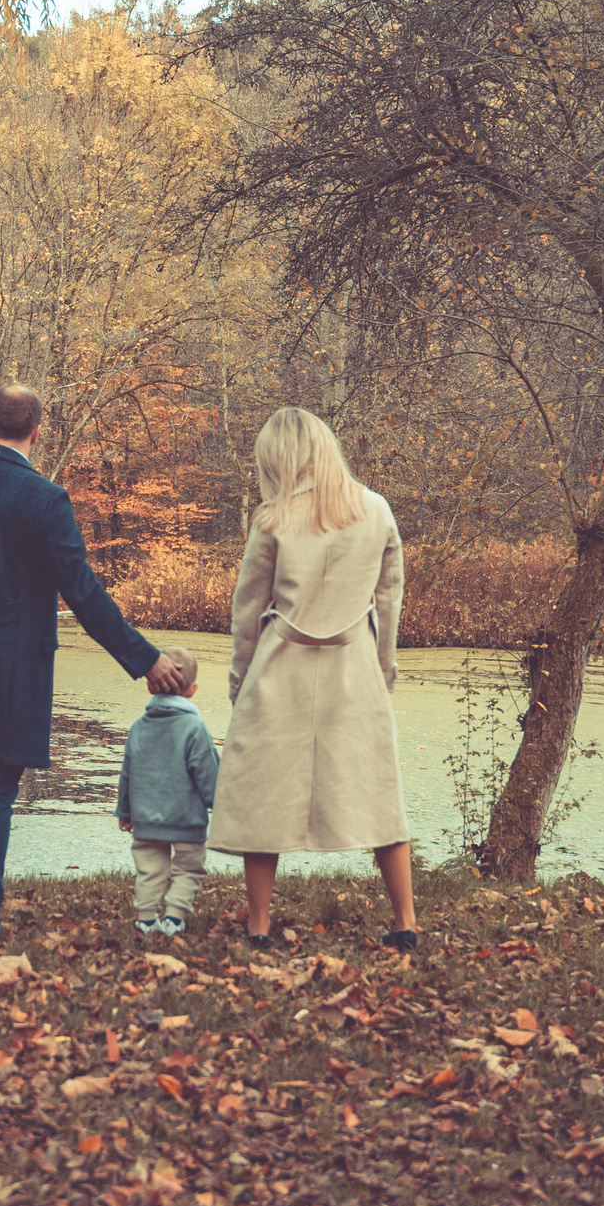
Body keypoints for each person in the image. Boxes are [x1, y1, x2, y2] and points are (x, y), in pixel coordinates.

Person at [0, 385, 189, 938]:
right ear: (36, 432)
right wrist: (144, 660)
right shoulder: (44, 499)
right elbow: (83, 592)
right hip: (10, 673)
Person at [207, 406, 418, 951]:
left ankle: (257, 925)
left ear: (278, 459)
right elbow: (389, 598)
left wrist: (239, 682)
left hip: (279, 669)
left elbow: (248, 609)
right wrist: (384, 667)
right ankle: (406, 922)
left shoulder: (272, 520)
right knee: (377, 791)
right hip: (356, 671)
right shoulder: (376, 511)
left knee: (263, 794)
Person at [116, 645, 219, 938]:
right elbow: (207, 772)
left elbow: (127, 772)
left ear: (151, 685)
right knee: (188, 870)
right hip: (187, 820)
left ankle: (147, 920)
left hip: (147, 820)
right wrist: (220, 805)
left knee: (149, 870)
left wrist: (125, 811)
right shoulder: (194, 727)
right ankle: (174, 918)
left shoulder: (138, 727)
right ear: (192, 690)